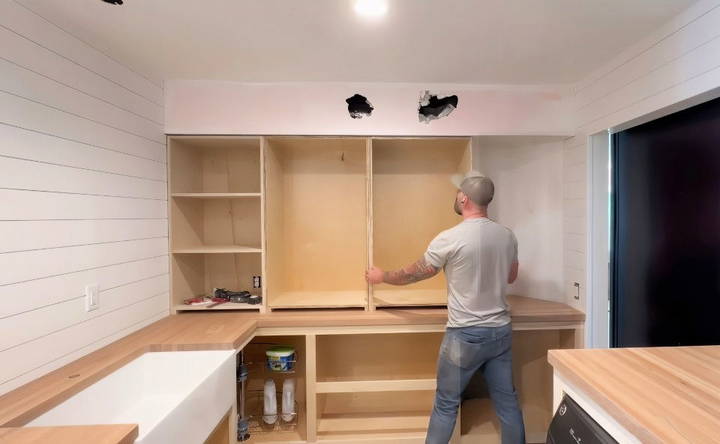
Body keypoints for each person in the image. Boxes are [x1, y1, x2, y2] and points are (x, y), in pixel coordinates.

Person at [365, 171, 525, 444]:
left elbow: (415, 273)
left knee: (446, 404)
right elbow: (511, 276)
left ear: (464, 199)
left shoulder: (449, 238)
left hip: (464, 335)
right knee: (507, 404)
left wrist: (383, 277)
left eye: (457, 193)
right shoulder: (507, 236)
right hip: (500, 332)